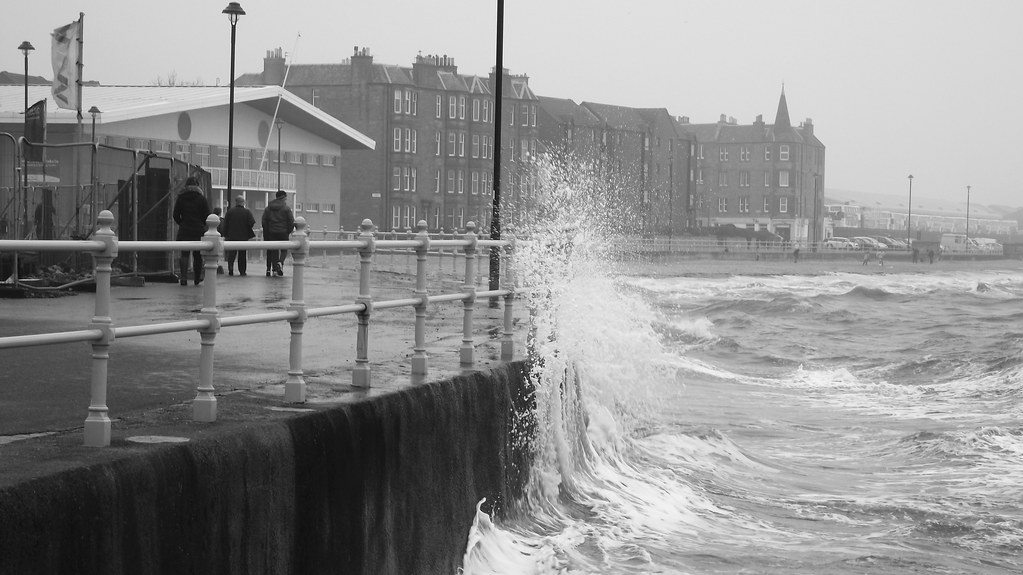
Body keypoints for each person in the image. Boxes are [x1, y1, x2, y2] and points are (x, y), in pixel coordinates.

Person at [172, 176, 212, 286]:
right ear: (197, 186)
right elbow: (207, 215)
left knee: (184, 254)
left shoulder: (181, 198)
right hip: (198, 230)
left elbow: (175, 215)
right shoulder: (201, 199)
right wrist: (202, 224)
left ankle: (183, 278)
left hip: (184, 229)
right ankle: (197, 278)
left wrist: (182, 223)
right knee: (197, 255)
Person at [261, 189, 295, 277]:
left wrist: (268, 230)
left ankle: (275, 270)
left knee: (274, 251)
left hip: (272, 232)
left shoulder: (268, 208)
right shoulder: (286, 208)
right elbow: (291, 221)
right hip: (283, 232)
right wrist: (288, 230)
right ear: (283, 198)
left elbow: (264, 221)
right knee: (284, 249)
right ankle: (280, 262)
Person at [223, 195, 256, 276]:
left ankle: (230, 269)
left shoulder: (230, 211)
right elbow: (251, 222)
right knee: (242, 254)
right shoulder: (247, 212)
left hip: (232, 236)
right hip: (243, 236)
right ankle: (242, 271)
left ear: (236, 202)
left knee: (232, 254)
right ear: (243, 202)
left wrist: (226, 234)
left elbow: (225, 224)